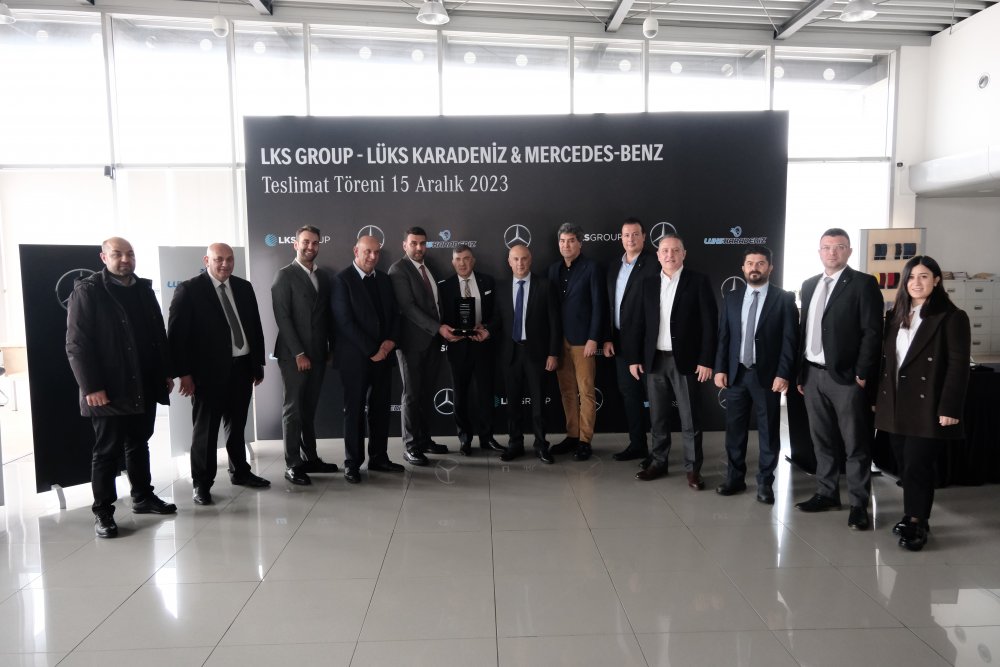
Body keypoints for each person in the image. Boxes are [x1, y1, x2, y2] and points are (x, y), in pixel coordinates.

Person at [66, 237, 177, 538]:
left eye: (130, 254)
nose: (125, 259)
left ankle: (142, 497)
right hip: (107, 389)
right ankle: (103, 512)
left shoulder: (143, 289)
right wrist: (91, 386)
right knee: (106, 452)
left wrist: (166, 372)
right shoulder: (88, 290)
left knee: (139, 442)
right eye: (117, 254)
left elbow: (158, 333)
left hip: (144, 383)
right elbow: (76, 344)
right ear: (104, 257)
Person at [875, 255, 970, 551]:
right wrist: (878, 399)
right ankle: (912, 515)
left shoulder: (952, 317)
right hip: (895, 404)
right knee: (904, 465)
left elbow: (958, 366)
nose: (916, 282)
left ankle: (917, 522)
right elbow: (887, 362)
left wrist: (949, 408)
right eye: (912, 277)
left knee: (917, 465)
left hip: (927, 406)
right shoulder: (896, 314)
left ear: (937, 280)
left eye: (924, 276)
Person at [168, 243, 269, 506]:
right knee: (206, 431)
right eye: (219, 259)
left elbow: (254, 327)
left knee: (237, 425)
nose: (225, 264)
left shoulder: (244, 287)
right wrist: (184, 374)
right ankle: (202, 483)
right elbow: (177, 337)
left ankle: (240, 472)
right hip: (207, 374)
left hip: (242, 367)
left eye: (230, 259)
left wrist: (257, 363)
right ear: (206, 260)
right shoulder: (189, 290)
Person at [795, 227, 883, 531]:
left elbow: (872, 332)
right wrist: (801, 372)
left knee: (855, 443)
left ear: (849, 251)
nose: (832, 252)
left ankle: (858, 504)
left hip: (846, 379)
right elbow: (804, 329)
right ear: (819, 252)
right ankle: (827, 493)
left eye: (839, 247)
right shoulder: (809, 285)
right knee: (821, 440)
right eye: (827, 247)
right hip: (812, 374)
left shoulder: (863, 284)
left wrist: (862, 374)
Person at [625, 233, 717, 489]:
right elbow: (637, 324)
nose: (670, 255)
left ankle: (693, 470)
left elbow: (710, 325)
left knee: (690, 419)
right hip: (654, 361)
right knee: (658, 418)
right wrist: (634, 358)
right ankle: (658, 462)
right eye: (665, 250)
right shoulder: (647, 284)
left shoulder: (698, 281)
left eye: (675, 250)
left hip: (685, 362)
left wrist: (706, 360)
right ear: (658, 255)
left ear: (683, 254)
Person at [713, 245, 798, 504]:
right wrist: (720, 368)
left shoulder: (783, 299)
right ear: (743, 267)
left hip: (768, 377)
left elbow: (789, 340)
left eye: (760, 263)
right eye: (750, 263)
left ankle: (765, 483)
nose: (755, 268)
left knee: (768, 432)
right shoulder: (732, 298)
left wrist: (783, 373)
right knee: (734, 431)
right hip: (737, 374)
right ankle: (735, 479)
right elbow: (724, 337)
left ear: (770, 267)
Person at [331, 235, 403, 484]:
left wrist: (391, 341)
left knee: (380, 410)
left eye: (376, 252)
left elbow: (395, 314)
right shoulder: (342, 280)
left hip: (384, 356)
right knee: (354, 412)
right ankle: (352, 463)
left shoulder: (384, 279)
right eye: (367, 251)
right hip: (355, 359)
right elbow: (344, 322)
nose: (373, 256)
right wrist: (373, 350)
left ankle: (379, 457)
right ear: (356, 251)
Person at [271, 225, 339, 486]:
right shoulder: (284, 276)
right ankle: (292, 464)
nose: (311, 247)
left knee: (309, 410)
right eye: (306, 242)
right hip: (294, 356)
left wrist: (329, 348)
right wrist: (299, 353)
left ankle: (310, 458)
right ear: (295, 244)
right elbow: (283, 318)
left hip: (319, 355)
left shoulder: (322, 277)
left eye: (315, 243)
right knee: (293, 410)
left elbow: (326, 317)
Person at [389, 226, 454, 466]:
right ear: (404, 245)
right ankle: (411, 446)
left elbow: (435, 303)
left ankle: (425, 440)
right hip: (411, 344)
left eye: (422, 243)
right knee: (412, 395)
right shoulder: (398, 269)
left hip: (433, 342)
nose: (419, 248)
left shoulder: (429, 268)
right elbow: (408, 307)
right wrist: (438, 328)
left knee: (426, 393)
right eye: (414, 243)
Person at [497, 242, 561, 463]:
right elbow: (497, 320)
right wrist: (484, 331)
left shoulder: (545, 286)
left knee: (539, 404)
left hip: (538, 354)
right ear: (509, 262)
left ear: (530, 259)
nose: (520, 263)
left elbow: (555, 323)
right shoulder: (501, 288)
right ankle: (515, 444)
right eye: (515, 259)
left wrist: (553, 353)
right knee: (512, 403)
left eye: (524, 258)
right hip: (510, 354)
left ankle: (541, 445)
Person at [547, 223, 607, 461]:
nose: (566, 245)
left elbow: (599, 305)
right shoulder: (553, 270)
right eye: (562, 241)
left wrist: (594, 338)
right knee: (567, 392)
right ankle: (572, 435)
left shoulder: (592, 268)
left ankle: (584, 440)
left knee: (586, 391)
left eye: (571, 240)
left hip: (584, 341)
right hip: (559, 341)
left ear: (580, 243)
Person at [439, 244, 504, 456]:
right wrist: (447, 330)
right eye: (458, 259)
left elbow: (498, 314)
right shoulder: (444, 287)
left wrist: (488, 329)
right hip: (457, 348)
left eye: (466, 258)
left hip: (483, 346)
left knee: (485, 394)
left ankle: (487, 437)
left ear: (473, 260)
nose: (462, 263)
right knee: (460, 396)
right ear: (452, 262)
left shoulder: (488, 282)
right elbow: (440, 317)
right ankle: (464, 439)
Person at [603, 217, 658, 462]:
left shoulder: (654, 264)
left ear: (644, 237)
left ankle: (659, 451)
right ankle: (637, 445)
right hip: (620, 342)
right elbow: (609, 303)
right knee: (630, 395)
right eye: (626, 235)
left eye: (635, 234)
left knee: (655, 398)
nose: (631, 239)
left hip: (646, 343)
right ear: (621, 238)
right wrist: (607, 337)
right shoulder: (613, 266)